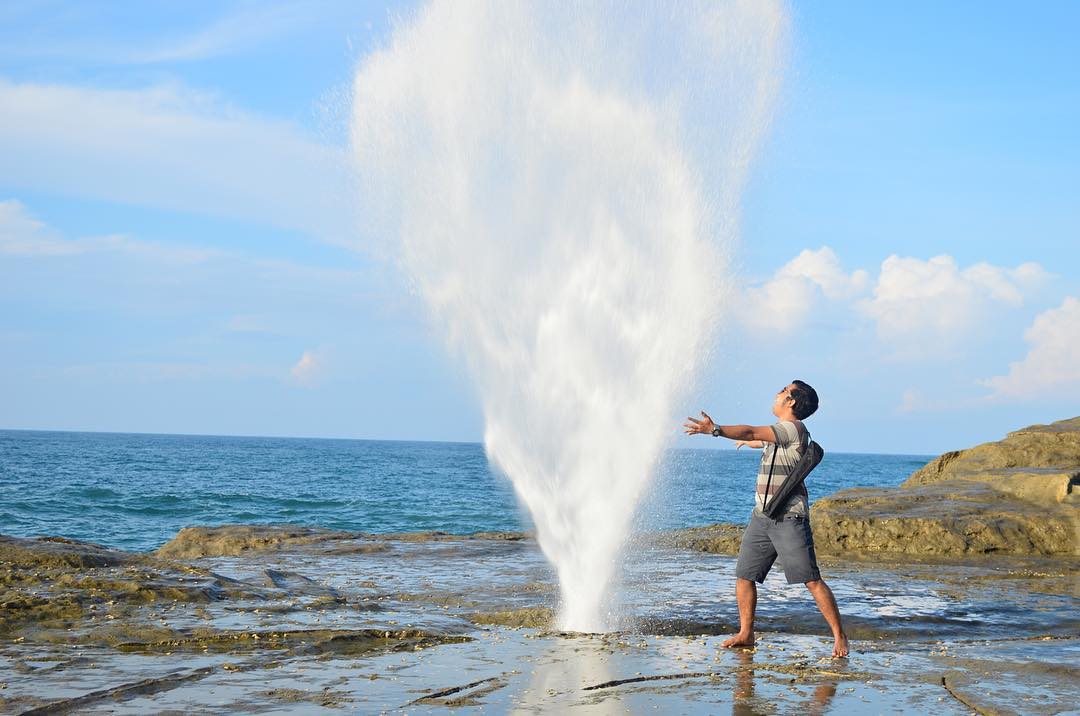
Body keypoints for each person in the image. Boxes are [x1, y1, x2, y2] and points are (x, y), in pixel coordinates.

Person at [683, 380, 849, 658]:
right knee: (745, 575)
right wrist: (746, 441)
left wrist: (715, 430)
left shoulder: (793, 429)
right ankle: (746, 633)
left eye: (784, 390)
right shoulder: (781, 434)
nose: (778, 393)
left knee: (811, 579)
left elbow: (751, 431)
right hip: (762, 516)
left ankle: (840, 637)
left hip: (788, 518)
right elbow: (755, 439)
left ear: (792, 402)